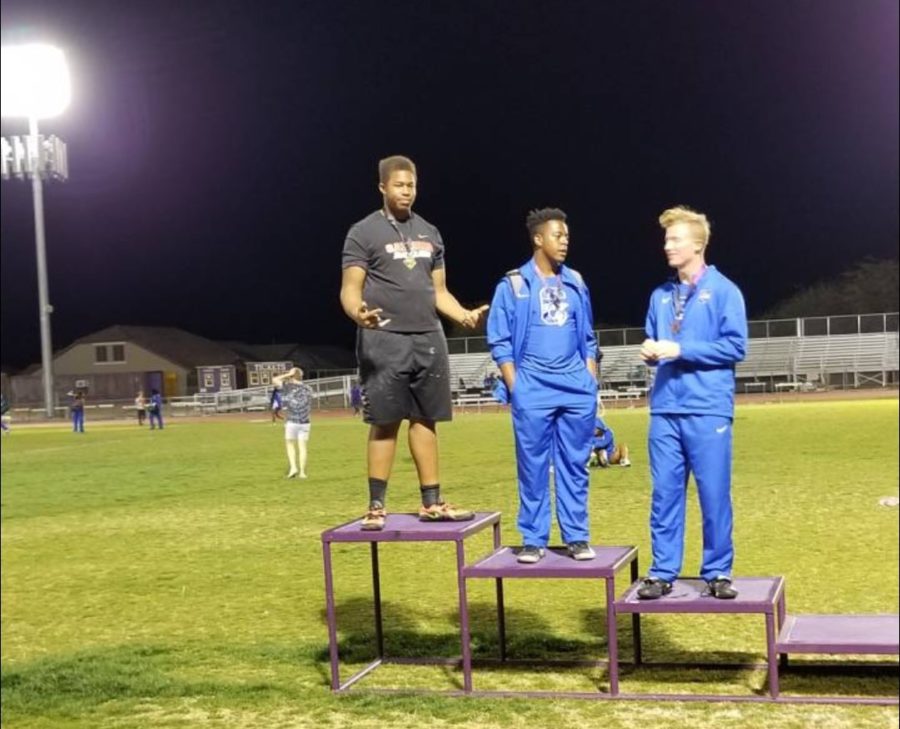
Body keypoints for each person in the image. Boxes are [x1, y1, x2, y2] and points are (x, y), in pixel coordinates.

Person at [340, 154, 488, 531]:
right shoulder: (363, 232)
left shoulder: (430, 233)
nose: (406, 192)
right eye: (399, 185)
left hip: (428, 338)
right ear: (383, 187)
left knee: (426, 419)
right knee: (385, 421)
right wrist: (359, 313)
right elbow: (349, 289)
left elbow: (439, 291)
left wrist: (463, 315)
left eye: (412, 186)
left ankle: (432, 502)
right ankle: (376, 507)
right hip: (384, 339)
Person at [637, 205, 748, 600]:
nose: (667, 246)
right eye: (666, 239)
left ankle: (717, 571)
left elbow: (736, 346)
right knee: (664, 493)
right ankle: (662, 571)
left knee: (713, 492)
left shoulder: (724, 291)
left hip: (708, 408)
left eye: (675, 239)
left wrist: (680, 348)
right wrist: (652, 351)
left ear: (697, 245)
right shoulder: (660, 296)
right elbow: (657, 340)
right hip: (665, 408)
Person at [486, 208, 599, 563]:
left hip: (576, 389)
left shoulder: (577, 282)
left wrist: (589, 379)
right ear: (538, 238)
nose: (564, 241)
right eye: (557, 235)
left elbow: (589, 337)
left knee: (575, 465)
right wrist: (516, 386)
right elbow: (500, 340)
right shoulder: (514, 285)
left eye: (566, 235)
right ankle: (533, 538)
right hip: (532, 387)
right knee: (532, 466)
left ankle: (577, 537)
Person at [272, 367, 313, 478]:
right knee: (303, 447)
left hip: (291, 421)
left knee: (290, 444)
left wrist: (287, 375)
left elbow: (275, 380)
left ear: (291, 376)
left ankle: (293, 468)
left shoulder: (287, 387)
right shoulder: (309, 388)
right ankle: (303, 472)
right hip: (305, 421)